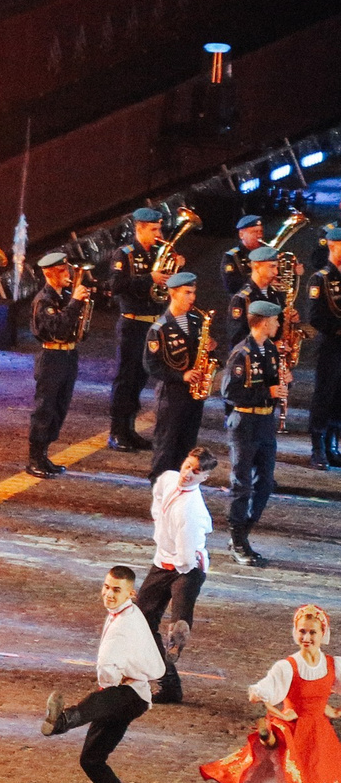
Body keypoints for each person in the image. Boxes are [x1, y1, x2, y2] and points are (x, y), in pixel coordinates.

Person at [202, 604, 341, 783]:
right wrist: (269, 701)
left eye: (312, 632)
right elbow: (263, 690)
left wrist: (328, 708)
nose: (307, 637)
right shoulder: (287, 667)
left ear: (323, 633)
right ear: (295, 632)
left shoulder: (332, 664)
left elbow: (325, 690)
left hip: (320, 738)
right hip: (297, 738)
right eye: (302, 631)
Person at [41, 565, 168, 783]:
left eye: (116, 590)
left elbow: (108, 671)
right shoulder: (125, 613)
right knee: (92, 759)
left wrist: (129, 677)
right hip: (130, 691)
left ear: (131, 594)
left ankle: (63, 720)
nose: (109, 594)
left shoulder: (125, 622)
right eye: (107, 587)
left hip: (129, 693)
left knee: (103, 698)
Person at [135, 447, 212, 708]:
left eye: (196, 471)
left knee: (181, 606)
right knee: (142, 619)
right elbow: (158, 490)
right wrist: (158, 517)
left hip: (186, 565)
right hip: (164, 561)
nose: (188, 473)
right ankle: (169, 672)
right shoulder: (169, 478)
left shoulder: (189, 511)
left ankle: (177, 632)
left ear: (205, 478)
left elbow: (187, 558)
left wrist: (175, 562)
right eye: (187, 466)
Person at [220, 300, 283, 567]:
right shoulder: (241, 354)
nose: (278, 324)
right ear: (264, 322)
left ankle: (242, 534)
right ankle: (237, 539)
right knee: (241, 484)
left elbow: (270, 383)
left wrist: (279, 387)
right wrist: (266, 393)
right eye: (275, 320)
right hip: (245, 422)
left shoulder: (269, 350)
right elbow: (228, 393)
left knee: (265, 483)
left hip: (265, 422)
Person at [101, 207, 167, 454]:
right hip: (132, 323)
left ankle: (130, 429)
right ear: (139, 228)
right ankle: (116, 431)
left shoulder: (157, 253)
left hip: (152, 323)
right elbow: (116, 286)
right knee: (125, 379)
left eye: (159, 228)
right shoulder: (125, 254)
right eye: (153, 229)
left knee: (140, 378)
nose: (158, 233)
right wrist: (151, 278)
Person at [27, 251, 93, 477]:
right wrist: (75, 303)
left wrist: (79, 306)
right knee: (45, 408)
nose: (69, 274)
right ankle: (35, 458)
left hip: (68, 355)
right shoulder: (44, 301)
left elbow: (75, 329)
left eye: (67, 269)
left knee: (60, 406)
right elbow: (57, 328)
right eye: (63, 271)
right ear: (48, 273)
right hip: (52, 357)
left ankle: (44, 455)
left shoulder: (63, 296)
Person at [144, 272, 206, 480]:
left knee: (187, 445)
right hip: (172, 394)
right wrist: (181, 375)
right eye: (187, 293)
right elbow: (151, 365)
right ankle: (160, 493)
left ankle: (181, 491)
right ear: (173, 293)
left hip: (194, 394)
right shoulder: (160, 328)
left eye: (194, 293)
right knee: (166, 447)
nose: (192, 298)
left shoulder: (197, 321)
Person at [305, 222, 341, 470]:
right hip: (331, 345)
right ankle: (318, 447)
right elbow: (315, 316)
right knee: (324, 395)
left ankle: (332, 444)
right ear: (333, 247)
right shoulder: (321, 279)